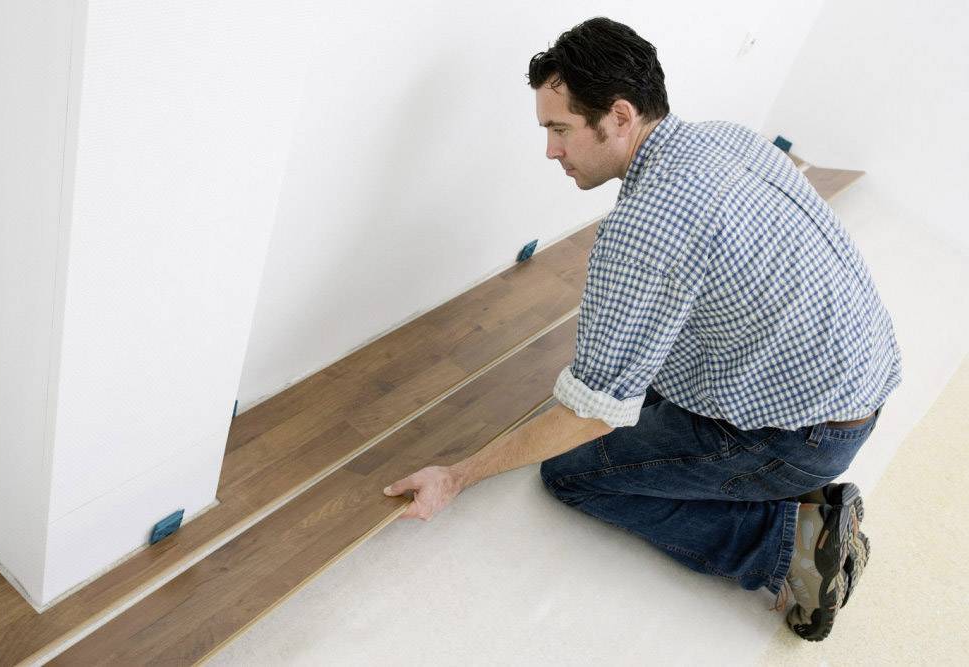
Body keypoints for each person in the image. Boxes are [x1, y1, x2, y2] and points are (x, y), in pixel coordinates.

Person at [383, 17, 902, 642]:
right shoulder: (726, 138)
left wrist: (459, 473)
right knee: (631, 395)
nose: (551, 151)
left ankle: (790, 541)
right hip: (856, 386)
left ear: (621, 115)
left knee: (572, 471)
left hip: (802, 436)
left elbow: (591, 415)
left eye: (560, 129)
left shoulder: (646, 228)